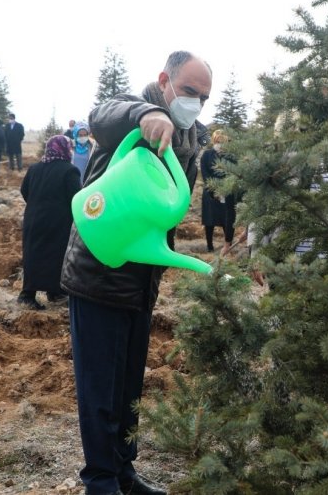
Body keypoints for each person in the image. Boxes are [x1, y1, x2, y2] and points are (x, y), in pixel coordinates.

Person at [61, 50, 212, 495]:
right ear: (164, 79)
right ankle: (101, 480)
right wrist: (145, 112)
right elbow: (101, 114)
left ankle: (125, 473)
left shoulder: (190, 138)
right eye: (188, 91)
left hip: (141, 280)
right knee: (99, 389)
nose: (195, 103)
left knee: (128, 389)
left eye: (203, 97)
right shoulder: (130, 113)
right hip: (98, 275)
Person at [18, 135, 81, 310]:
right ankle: (53, 293)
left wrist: (36, 204)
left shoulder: (34, 168)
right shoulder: (70, 170)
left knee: (33, 255)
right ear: (65, 149)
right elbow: (76, 198)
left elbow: (24, 191)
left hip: (33, 219)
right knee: (56, 256)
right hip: (57, 223)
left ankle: (30, 294)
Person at [200, 129, 238, 255]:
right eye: (218, 140)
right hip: (211, 191)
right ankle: (209, 246)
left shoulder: (231, 155)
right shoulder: (207, 154)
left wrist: (226, 187)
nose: (220, 142)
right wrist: (213, 188)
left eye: (223, 140)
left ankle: (228, 244)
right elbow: (205, 173)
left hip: (227, 190)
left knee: (227, 218)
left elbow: (234, 171)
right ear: (214, 140)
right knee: (209, 220)